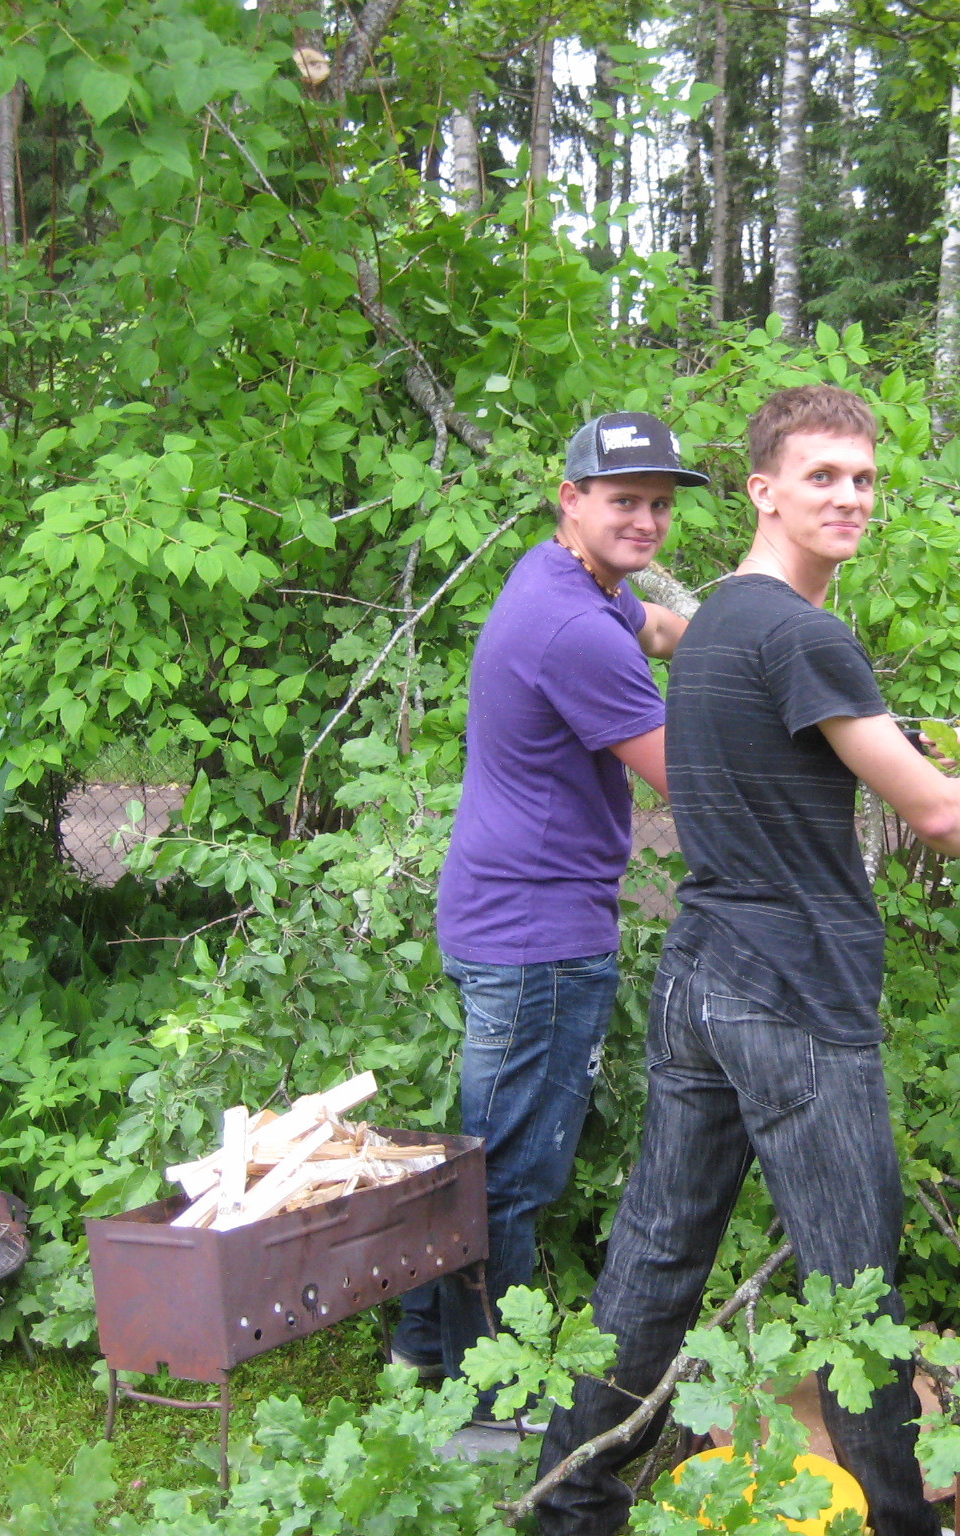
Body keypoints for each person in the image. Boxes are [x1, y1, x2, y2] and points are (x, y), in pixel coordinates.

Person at [534, 385, 960, 1536]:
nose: (849, 497)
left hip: (700, 977)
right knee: (855, 1291)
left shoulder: (715, 624)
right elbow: (933, 812)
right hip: (794, 992)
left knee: (656, 1260)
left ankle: (566, 1507)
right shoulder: (805, 636)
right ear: (762, 490)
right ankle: (901, 1523)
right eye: (822, 477)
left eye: (862, 479)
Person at [390, 411, 708, 1427]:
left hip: (503, 912)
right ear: (571, 499)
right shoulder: (574, 629)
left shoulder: (565, 581)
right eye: (624, 501)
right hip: (540, 936)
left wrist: (742, 639)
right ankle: (487, 1399)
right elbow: (691, 783)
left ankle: (423, 1346)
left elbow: (662, 631)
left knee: (484, 1146)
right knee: (511, 1175)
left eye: (659, 504)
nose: (646, 520)